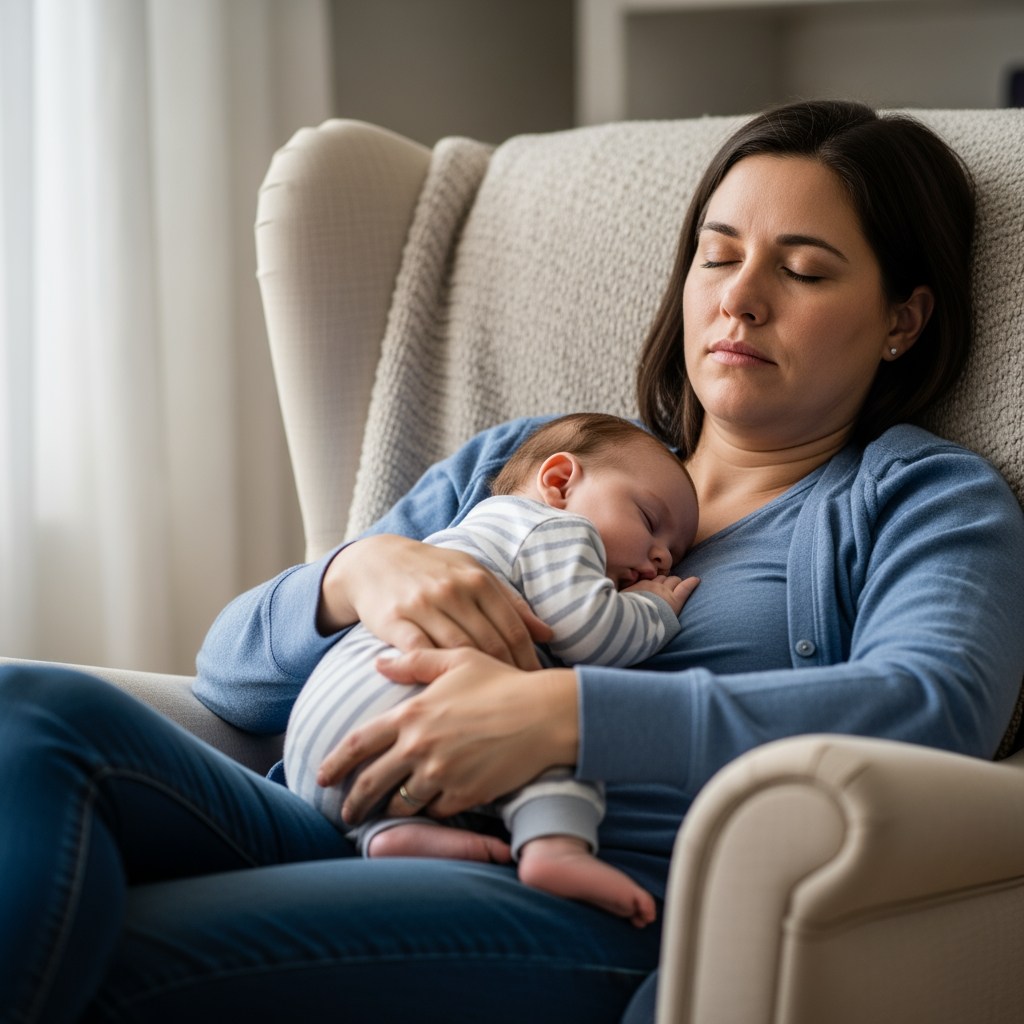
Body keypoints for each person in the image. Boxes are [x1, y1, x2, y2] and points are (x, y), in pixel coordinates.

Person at [2, 100, 1022, 1024]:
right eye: (717, 257)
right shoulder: (543, 457)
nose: (740, 299)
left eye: (801, 269)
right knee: (30, 709)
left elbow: (931, 707)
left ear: (902, 319)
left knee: (128, 960)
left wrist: (562, 713)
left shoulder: (917, 497)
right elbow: (230, 674)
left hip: (580, 890)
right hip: (331, 812)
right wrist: (360, 572)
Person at [284, 414, 701, 929]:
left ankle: (385, 835)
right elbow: (590, 632)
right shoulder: (553, 527)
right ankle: (554, 847)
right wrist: (655, 609)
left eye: (676, 554)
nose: (662, 557)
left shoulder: (472, 530)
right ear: (559, 482)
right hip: (394, 700)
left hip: (321, 735)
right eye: (648, 520)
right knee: (567, 728)